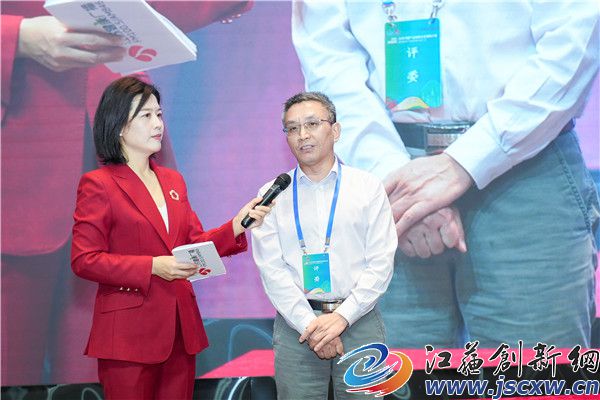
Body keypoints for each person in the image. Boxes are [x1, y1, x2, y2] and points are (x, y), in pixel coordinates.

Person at [292, 0, 599, 349]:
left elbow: (574, 37)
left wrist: (467, 160)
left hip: (525, 165)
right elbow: (327, 56)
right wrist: (394, 178)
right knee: (387, 372)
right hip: (380, 179)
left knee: (533, 371)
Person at [1, 1, 252, 385]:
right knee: (10, 367)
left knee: (108, 372)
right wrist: (16, 37)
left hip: (114, 132)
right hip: (18, 150)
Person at [70, 76, 270, 399]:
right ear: (119, 126)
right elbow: (84, 260)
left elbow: (193, 245)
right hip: (128, 337)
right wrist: (153, 266)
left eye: (159, 115)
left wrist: (236, 225)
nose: (158, 124)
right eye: (146, 116)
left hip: (180, 330)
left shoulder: (172, 180)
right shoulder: (99, 184)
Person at [251, 92, 397, 399]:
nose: (302, 135)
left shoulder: (367, 187)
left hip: (359, 321)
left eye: (312, 124)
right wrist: (312, 326)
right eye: (292, 128)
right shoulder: (271, 194)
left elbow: (381, 262)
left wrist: (342, 317)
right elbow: (272, 270)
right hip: (297, 328)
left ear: (335, 130)